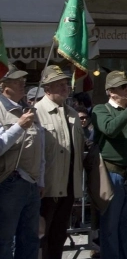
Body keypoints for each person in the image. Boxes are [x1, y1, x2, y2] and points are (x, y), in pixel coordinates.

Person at [91, 70, 127, 259]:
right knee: (110, 225)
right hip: (112, 174)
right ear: (111, 91)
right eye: (124, 87)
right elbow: (110, 129)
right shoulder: (101, 110)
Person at [35, 66, 84, 259]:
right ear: (47, 89)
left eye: (66, 84)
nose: (66, 88)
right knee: (41, 236)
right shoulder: (37, 112)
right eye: (60, 85)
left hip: (68, 186)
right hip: (46, 187)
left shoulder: (72, 113)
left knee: (59, 236)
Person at [0, 64, 43, 258]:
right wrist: (18, 126)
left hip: (31, 183)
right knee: (5, 240)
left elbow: (39, 147)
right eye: (17, 81)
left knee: (29, 239)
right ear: (3, 85)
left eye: (23, 81)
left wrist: (40, 180)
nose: (22, 84)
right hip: (9, 181)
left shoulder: (26, 109)